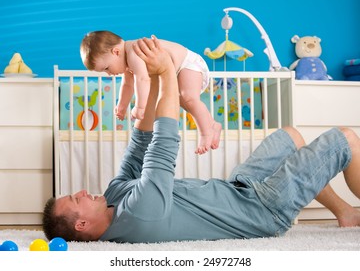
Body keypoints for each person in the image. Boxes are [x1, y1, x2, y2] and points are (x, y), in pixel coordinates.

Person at [43, 36, 360, 244]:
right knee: (345, 138)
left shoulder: (114, 194)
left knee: (290, 135)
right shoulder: (137, 218)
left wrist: (152, 84)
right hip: (263, 210)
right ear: (81, 225)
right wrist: (167, 72)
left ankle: (344, 212)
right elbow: (164, 143)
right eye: (75, 198)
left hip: (239, 186)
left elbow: (141, 143)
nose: (83, 191)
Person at [80, 30, 221, 155]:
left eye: (106, 68)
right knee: (184, 101)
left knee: (189, 98)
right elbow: (127, 85)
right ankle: (212, 124)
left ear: (116, 52)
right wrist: (121, 106)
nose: (109, 74)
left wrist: (140, 107)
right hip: (178, 70)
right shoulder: (126, 61)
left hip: (189, 63)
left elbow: (142, 79)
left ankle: (205, 133)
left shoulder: (134, 52)